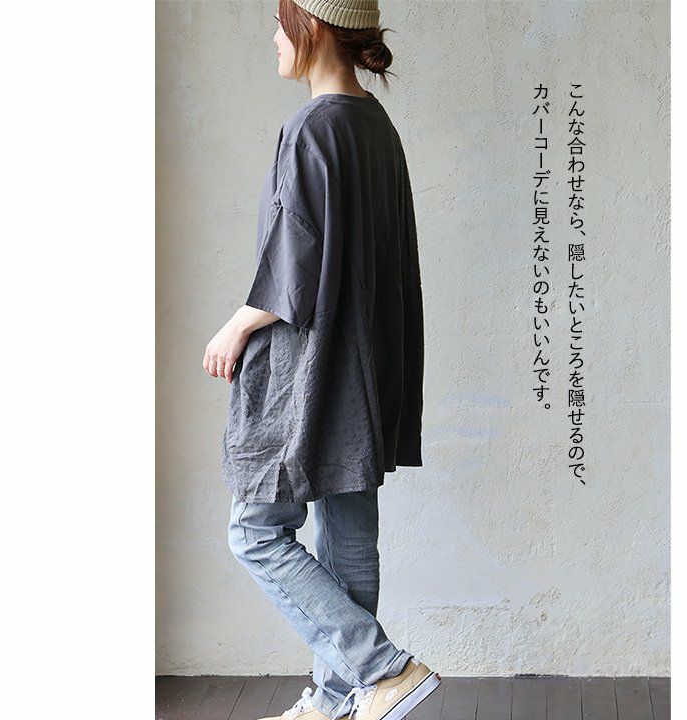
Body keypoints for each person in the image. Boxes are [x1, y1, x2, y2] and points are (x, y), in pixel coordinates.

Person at [202, 2, 438, 719]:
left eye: (283, 22)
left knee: (254, 532)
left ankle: (382, 668)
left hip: (313, 366)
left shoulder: (313, 127)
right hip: (364, 363)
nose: (274, 37)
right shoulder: (375, 125)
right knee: (348, 532)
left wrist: (236, 327)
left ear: (314, 28)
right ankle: (343, 700)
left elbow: (293, 263)